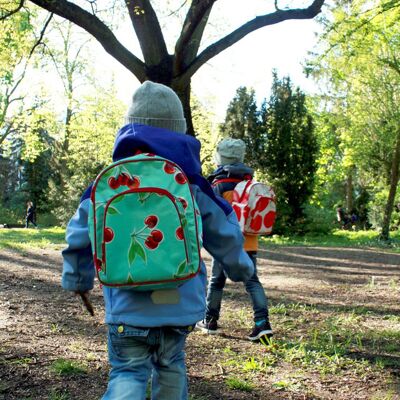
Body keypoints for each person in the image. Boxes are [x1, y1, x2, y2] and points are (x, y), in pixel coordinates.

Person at [61, 81, 254, 400]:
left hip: (126, 305)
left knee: (128, 371)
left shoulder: (109, 182)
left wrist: (77, 278)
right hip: (178, 305)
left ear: (129, 127)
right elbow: (224, 230)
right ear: (179, 130)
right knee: (171, 365)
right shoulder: (189, 181)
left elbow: (79, 234)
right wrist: (240, 267)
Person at [197, 138, 273, 341]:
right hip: (249, 241)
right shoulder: (249, 182)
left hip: (226, 242)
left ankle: (210, 319)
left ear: (220, 158)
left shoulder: (218, 184)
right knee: (252, 281)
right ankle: (262, 323)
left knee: (216, 281)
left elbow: (213, 214)